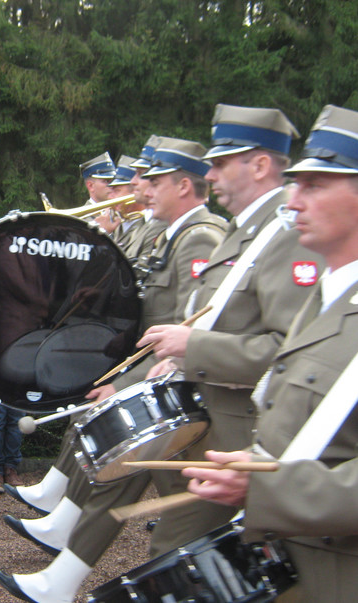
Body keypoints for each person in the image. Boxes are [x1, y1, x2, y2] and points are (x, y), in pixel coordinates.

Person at [0, 137, 228, 603]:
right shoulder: (171, 233)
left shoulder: (200, 236)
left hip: (173, 392)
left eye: (153, 179)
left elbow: (184, 332)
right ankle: (58, 567)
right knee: (119, 479)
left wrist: (123, 383)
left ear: (184, 185)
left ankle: (59, 564)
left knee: (158, 514)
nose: (141, 187)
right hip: (157, 384)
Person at [181, 104, 358, 602]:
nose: (293, 201)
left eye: (315, 186)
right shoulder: (330, 293)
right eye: (296, 183)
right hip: (292, 565)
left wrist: (265, 488)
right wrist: (256, 462)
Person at [136, 104, 323, 558]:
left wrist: (193, 346)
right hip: (213, 421)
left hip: (243, 433)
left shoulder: (286, 231)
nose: (209, 173)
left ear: (259, 165)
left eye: (221, 163)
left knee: (176, 552)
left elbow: (288, 350)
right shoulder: (246, 229)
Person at [3, 135, 168, 515]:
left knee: (108, 429)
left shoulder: (154, 231)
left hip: (144, 348)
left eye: (129, 185)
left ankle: (65, 512)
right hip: (127, 338)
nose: (129, 191)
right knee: (90, 416)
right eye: (129, 184)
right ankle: (58, 504)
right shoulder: (137, 228)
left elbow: (135, 287)